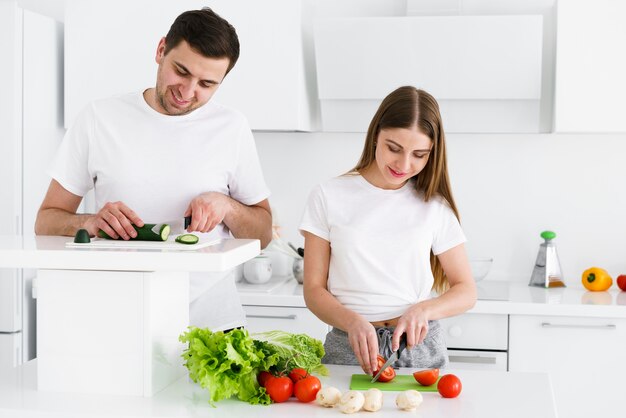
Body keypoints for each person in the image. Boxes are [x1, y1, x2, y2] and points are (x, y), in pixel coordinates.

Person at [34, 8, 272, 331]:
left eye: (206, 84)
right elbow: (45, 220)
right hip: (122, 317)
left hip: (213, 322)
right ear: (161, 51)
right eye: (181, 71)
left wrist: (226, 206)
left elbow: (263, 233)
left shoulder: (232, 127)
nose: (187, 92)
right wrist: (88, 222)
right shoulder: (99, 119)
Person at [299, 86, 477, 375]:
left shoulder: (433, 205)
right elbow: (313, 290)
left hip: (418, 348)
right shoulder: (328, 195)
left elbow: (466, 290)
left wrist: (424, 310)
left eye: (419, 154)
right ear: (375, 135)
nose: (404, 165)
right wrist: (353, 321)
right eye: (394, 148)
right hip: (349, 346)